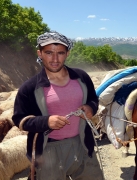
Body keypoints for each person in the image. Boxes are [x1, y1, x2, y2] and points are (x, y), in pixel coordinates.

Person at [12, 31, 104, 180]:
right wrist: (46, 122)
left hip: (82, 143)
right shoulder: (29, 87)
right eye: (49, 53)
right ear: (40, 53)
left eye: (60, 53)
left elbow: (93, 99)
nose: (55, 59)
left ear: (67, 54)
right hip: (49, 151)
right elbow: (19, 120)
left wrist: (90, 108)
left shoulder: (81, 77)